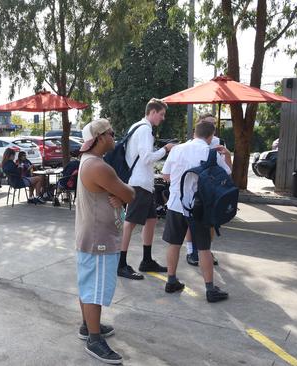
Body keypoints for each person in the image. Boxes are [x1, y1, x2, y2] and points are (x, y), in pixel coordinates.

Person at [75, 119, 135, 364]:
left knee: (88, 283)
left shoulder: (88, 161)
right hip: (98, 237)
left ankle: (87, 326)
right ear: (100, 138)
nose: (114, 136)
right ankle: (94, 339)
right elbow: (130, 193)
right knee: (95, 289)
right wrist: (122, 197)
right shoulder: (98, 167)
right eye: (111, 133)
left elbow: (120, 194)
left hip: (90, 234)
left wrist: (119, 197)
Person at [161, 121, 232, 303]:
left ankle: (171, 280)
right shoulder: (210, 153)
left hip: (176, 203)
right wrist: (227, 155)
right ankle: (210, 289)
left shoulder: (177, 150)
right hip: (198, 207)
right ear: (211, 136)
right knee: (204, 248)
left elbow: (166, 175)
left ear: (194, 133)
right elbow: (226, 175)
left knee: (174, 244)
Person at [118, 98, 177, 280]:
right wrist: (165, 149)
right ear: (152, 112)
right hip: (140, 183)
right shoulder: (145, 130)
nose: (163, 118)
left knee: (151, 220)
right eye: (161, 114)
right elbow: (146, 158)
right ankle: (120, 263)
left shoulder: (137, 127)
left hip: (143, 183)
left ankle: (146, 260)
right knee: (130, 223)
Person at [185, 114, 231, 266]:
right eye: (207, 123)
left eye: (213, 123)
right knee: (192, 222)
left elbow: (227, 170)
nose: (211, 126)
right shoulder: (191, 143)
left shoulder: (219, 143)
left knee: (211, 222)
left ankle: (206, 250)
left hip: (212, 188)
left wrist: (227, 155)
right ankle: (191, 251)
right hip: (194, 189)